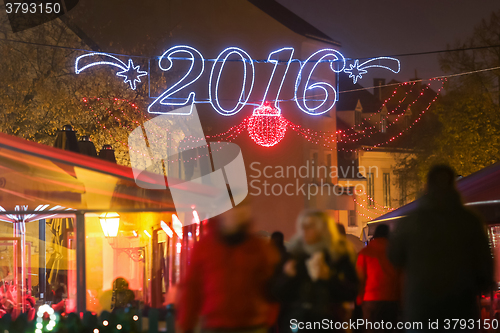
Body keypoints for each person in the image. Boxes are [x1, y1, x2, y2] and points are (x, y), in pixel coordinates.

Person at [387, 165, 494, 331]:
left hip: (421, 307)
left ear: (427, 186)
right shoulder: (470, 221)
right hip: (461, 307)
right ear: (454, 185)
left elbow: (394, 257)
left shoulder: (411, 222)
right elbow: (484, 266)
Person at [176, 199, 279, 333]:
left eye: (242, 207)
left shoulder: (260, 248)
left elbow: (271, 286)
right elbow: (192, 289)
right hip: (215, 325)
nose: (237, 212)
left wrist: (269, 319)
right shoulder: (204, 247)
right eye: (233, 207)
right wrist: (186, 325)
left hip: (252, 325)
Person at [275, 210, 358, 332]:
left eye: (310, 226)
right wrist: (287, 276)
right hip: (299, 323)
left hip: (329, 323)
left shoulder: (339, 255)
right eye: (302, 226)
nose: (305, 230)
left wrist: (329, 278)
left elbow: (352, 291)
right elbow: (277, 293)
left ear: (323, 229)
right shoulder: (295, 255)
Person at [356, 224, 400, 332]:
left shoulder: (366, 252)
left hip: (371, 300)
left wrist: (359, 299)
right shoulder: (395, 253)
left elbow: (360, 278)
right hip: (392, 299)